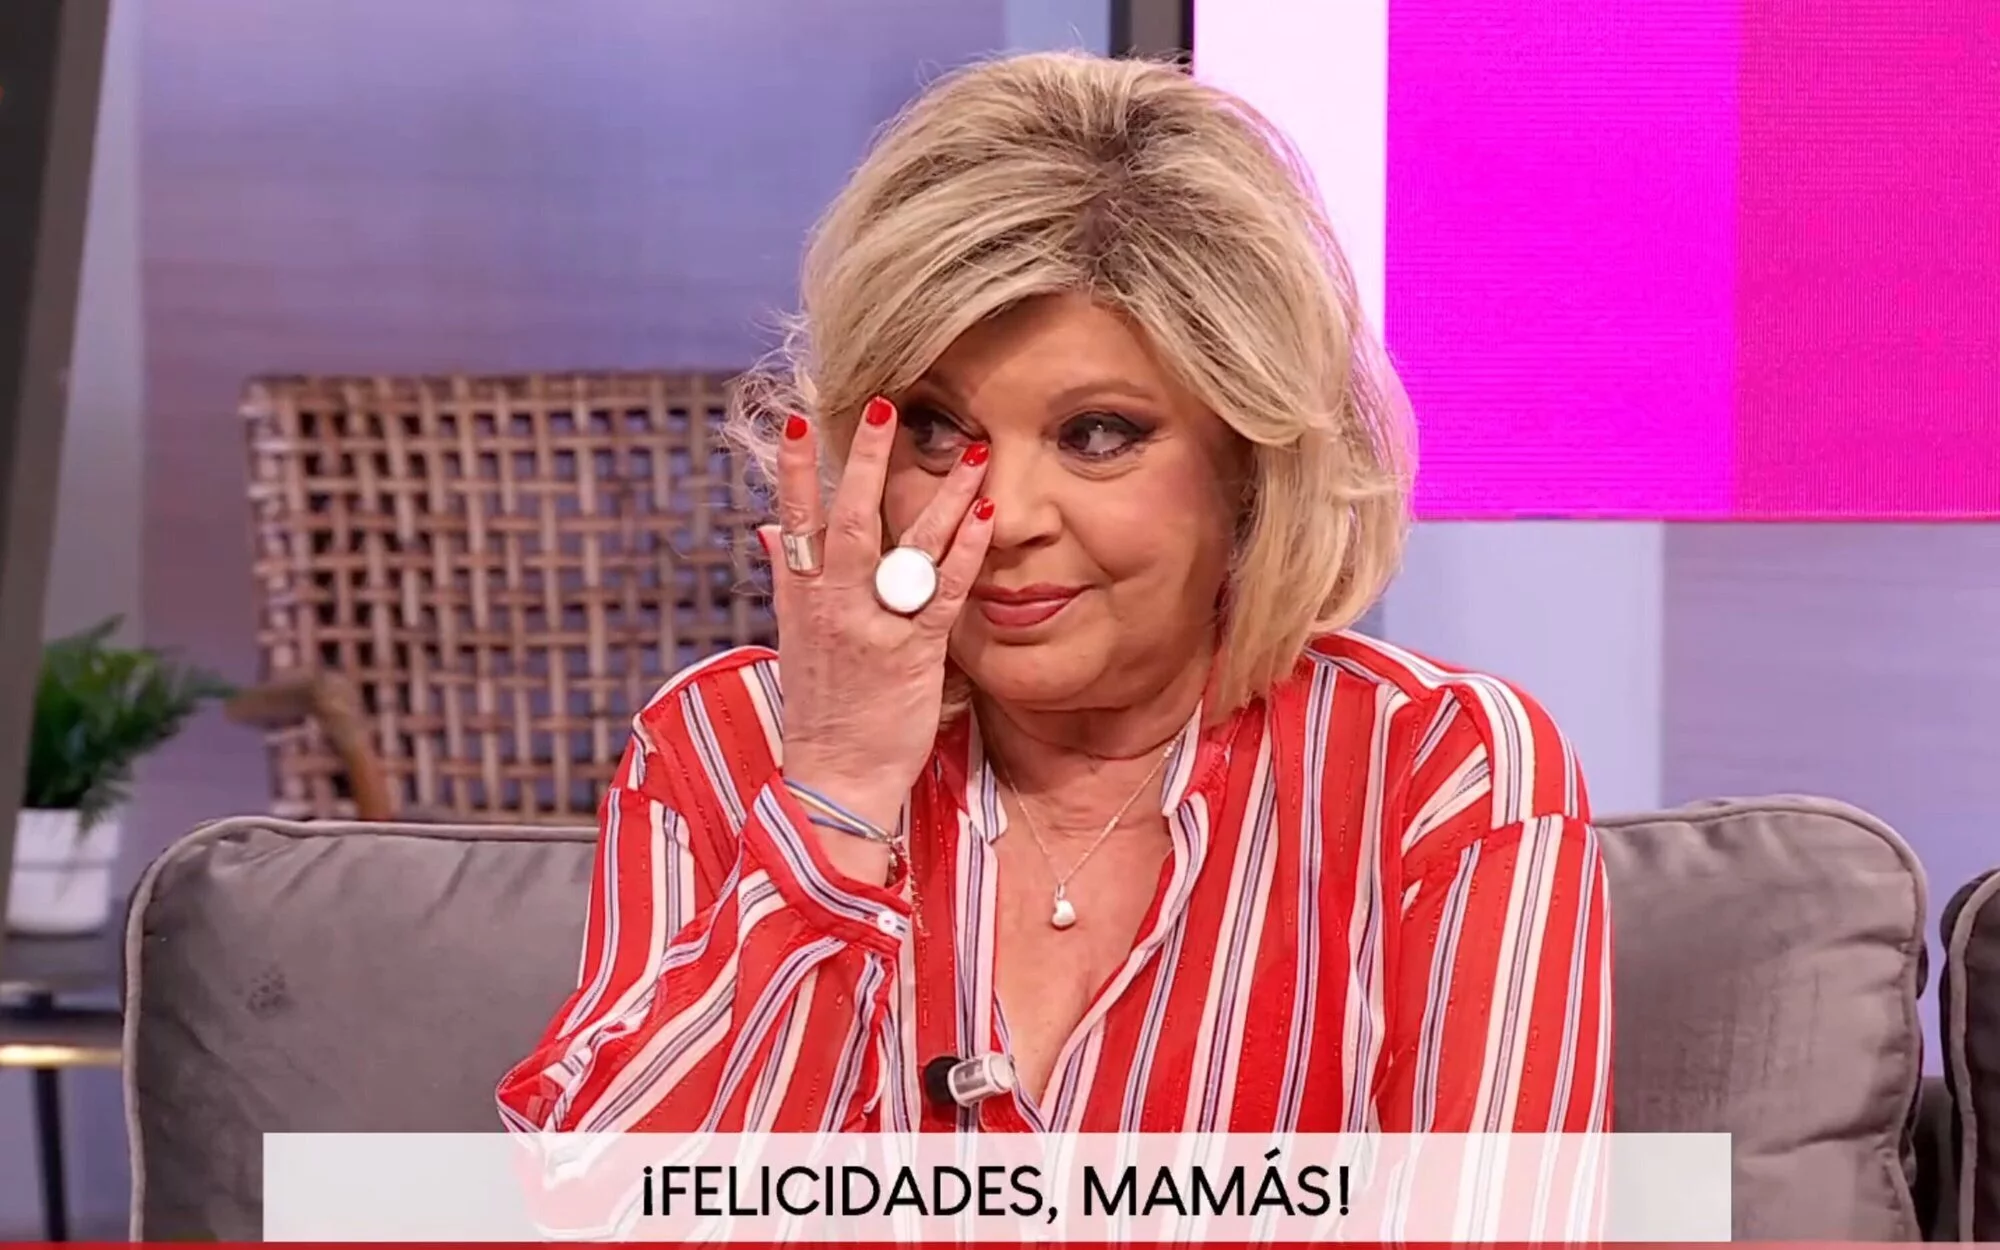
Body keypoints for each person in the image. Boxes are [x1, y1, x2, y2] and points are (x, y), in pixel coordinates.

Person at [496, 50, 1608, 1137]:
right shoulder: (727, 746)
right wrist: (835, 797)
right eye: (937, 430)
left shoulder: (1444, 774)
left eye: (1096, 434)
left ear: (1248, 459)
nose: (1006, 512)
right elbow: (604, 1209)